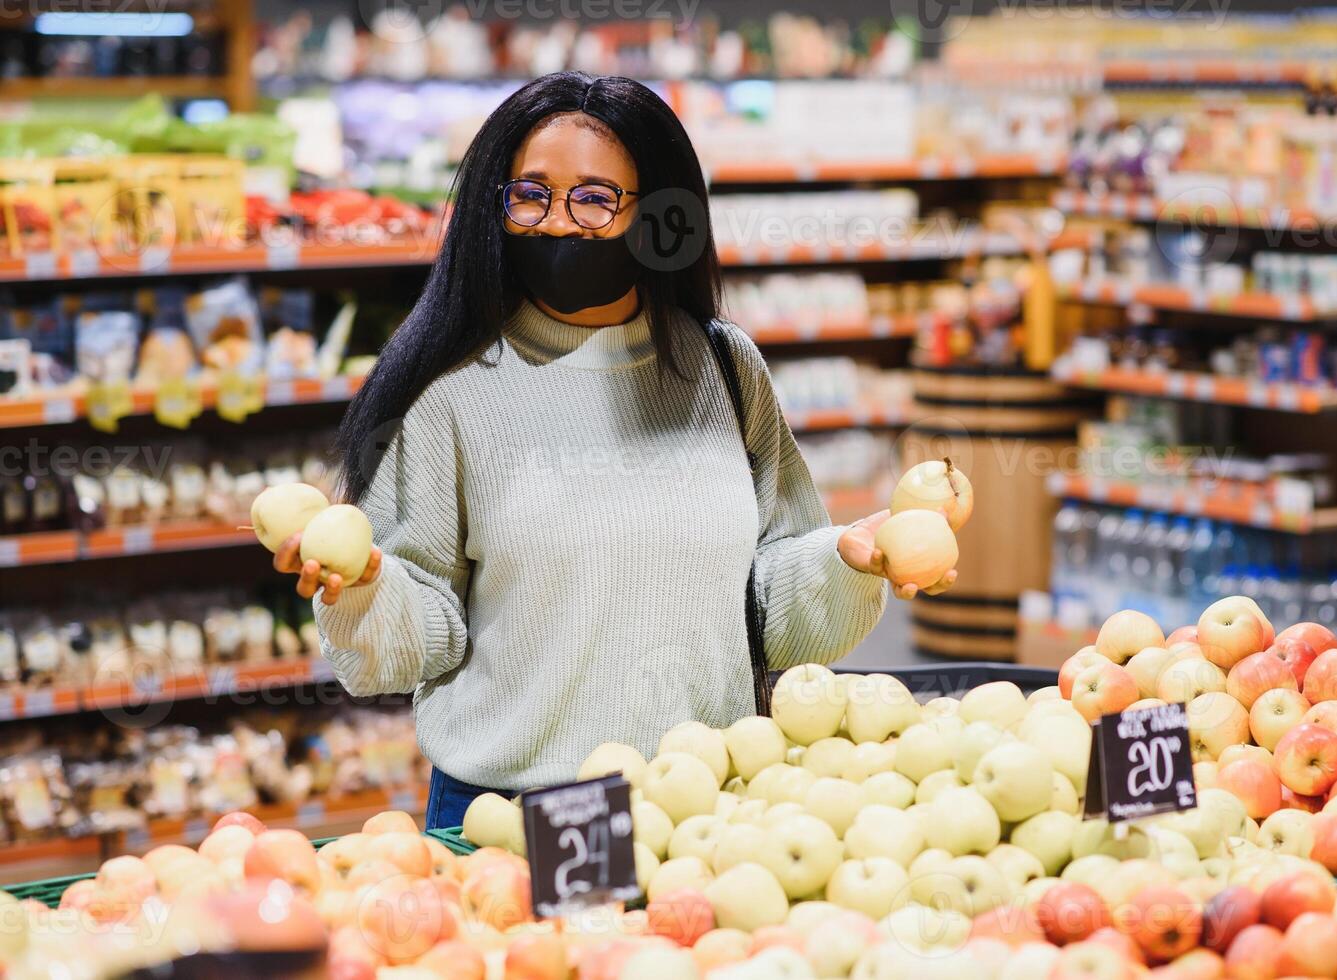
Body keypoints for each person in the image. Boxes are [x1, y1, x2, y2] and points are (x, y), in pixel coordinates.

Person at [272, 71, 958, 829]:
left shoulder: (722, 369)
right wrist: (367, 584)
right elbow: (419, 638)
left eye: (595, 199)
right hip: (516, 815)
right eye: (531, 195)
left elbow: (771, 604)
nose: (560, 223)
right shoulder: (453, 392)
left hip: (710, 810)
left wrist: (845, 559)